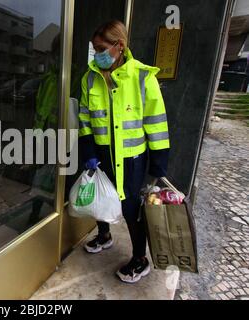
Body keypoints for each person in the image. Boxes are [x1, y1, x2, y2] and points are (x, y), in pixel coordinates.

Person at [78, 20, 170, 284]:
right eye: (95, 49)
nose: (97, 54)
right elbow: (84, 118)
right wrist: (88, 151)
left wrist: (158, 164)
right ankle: (104, 235)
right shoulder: (90, 78)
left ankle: (140, 260)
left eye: (101, 48)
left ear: (119, 46)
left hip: (131, 159)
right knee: (100, 199)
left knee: (131, 209)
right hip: (101, 154)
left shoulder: (142, 76)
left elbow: (156, 122)